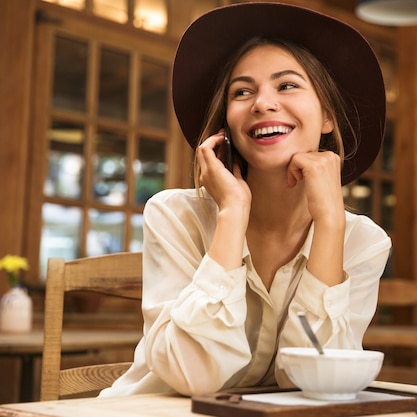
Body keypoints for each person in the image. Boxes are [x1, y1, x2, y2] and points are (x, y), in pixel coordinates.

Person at [100, 2, 390, 397]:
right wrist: (232, 213)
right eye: (242, 91)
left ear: (327, 117)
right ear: (227, 128)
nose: (262, 103)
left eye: (287, 85)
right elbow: (194, 377)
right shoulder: (174, 216)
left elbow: (315, 379)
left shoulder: (363, 243)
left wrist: (331, 224)